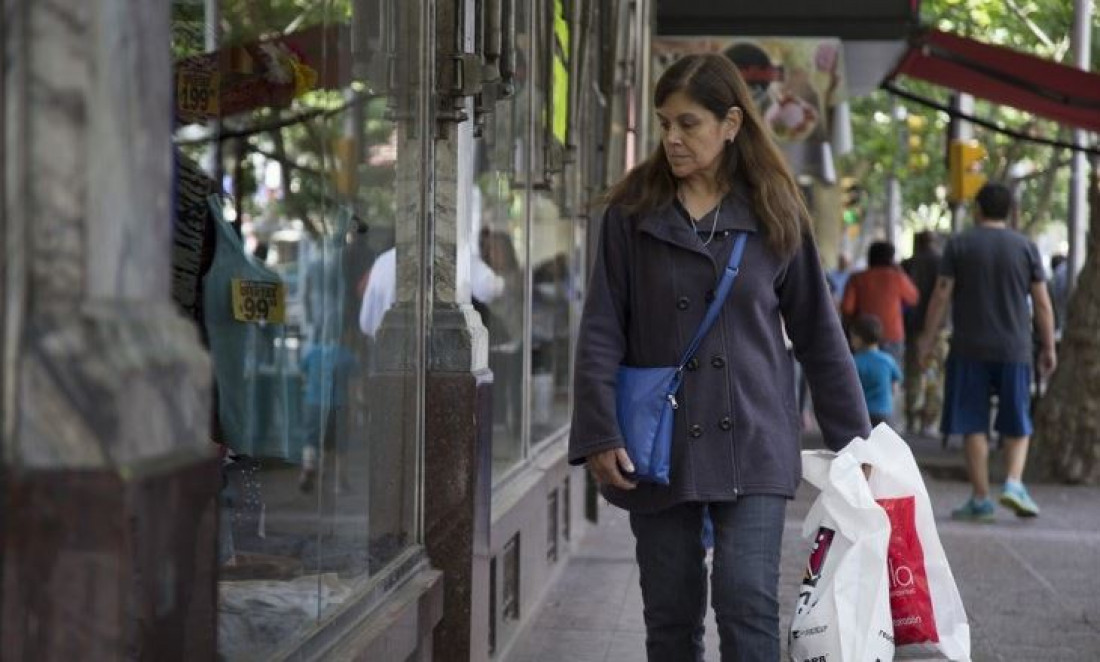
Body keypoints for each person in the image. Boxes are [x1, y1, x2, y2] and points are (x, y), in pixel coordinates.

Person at [568, 53, 870, 661]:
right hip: (659, 445)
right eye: (663, 124)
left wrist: (856, 444)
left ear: (731, 123)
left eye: (688, 124)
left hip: (754, 436)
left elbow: (818, 333)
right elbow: (602, 327)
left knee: (747, 601)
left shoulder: (775, 208)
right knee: (672, 615)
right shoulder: (633, 213)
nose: (671, 139)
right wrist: (600, 432)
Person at [918, 182, 1057, 522]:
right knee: (1017, 418)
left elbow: (941, 294)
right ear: (1010, 212)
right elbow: (1041, 301)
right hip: (1015, 348)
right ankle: (1012, 482)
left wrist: (926, 339)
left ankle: (980, 499)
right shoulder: (1025, 246)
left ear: (977, 210)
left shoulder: (960, 244)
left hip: (969, 347)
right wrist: (1049, 345)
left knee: (972, 422)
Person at [841, 241, 919, 368]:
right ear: (891, 259)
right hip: (893, 335)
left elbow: (847, 308)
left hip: (864, 336)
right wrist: (900, 270)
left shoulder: (857, 279)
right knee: (891, 377)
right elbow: (914, 298)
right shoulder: (897, 277)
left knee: (862, 379)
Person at [902, 231, 946, 435]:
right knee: (934, 373)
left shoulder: (907, 264)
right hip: (939, 328)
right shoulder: (943, 263)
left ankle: (912, 416)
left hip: (913, 327)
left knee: (913, 372)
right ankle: (930, 419)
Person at [849, 314, 902, 427]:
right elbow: (895, 386)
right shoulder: (888, 360)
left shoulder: (853, 362)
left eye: (852, 337)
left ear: (859, 338)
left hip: (861, 414)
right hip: (885, 412)